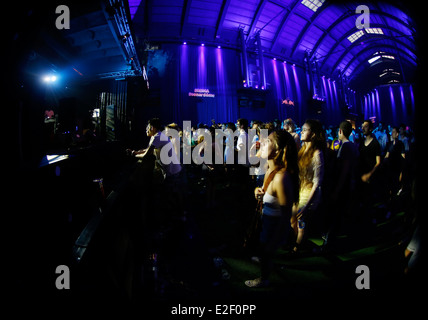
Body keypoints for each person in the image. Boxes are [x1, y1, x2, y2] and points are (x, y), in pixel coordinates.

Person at [245, 130, 299, 288]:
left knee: (266, 251)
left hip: (274, 225)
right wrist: (258, 191)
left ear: (278, 150)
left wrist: (275, 241)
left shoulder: (281, 177)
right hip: (267, 221)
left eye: (267, 141)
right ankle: (264, 259)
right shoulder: (270, 169)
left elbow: (286, 214)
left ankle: (264, 279)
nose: (262, 142)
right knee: (263, 250)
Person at [323, 121, 359, 249]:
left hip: (343, 185)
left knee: (336, 213)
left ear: (340, 131)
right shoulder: (352, 145)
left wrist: (337, 190)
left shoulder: (346, 147)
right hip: (349, 183)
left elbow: (344, 170)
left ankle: (330, 242)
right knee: (340, 212)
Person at [291, 119, 325, 253]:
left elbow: (317, 183)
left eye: (305, 130)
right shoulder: (302, 150)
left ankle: (296, 249)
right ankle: (298, 245)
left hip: (308, 193)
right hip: (299, 190)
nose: (302, 132)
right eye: (302, 129)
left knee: (300, 223)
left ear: (314, 134)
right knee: (292, 220)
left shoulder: (317, 154)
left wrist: (306, 206)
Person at [384, 127, 405, 197]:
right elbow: (387, 156)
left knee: (396, 186)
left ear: (397, 134)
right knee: (390, 186)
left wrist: (401, 172)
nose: (392, 133)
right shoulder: (390, 144)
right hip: (390, 169)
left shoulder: (400, 144)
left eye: (393, 132)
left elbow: (403, 158)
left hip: (397, 168)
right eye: (391, 132)